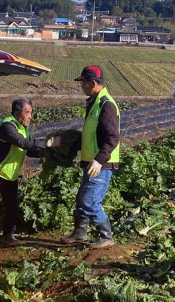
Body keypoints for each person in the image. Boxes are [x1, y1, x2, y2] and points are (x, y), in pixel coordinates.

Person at [0, 98, 64, 245]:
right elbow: (23, 143)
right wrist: (48, 142)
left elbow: (29, 150)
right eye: (27, 113)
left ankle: (9, 236)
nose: (30, 116)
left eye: (31, 113)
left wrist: (47, 154)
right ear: (17, 113)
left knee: (12, 207)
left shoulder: (23, 128)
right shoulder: (7, 126)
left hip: (9, 176)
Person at [61, 65, 120, 249]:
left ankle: (106, 236)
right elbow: (91, 133)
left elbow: (112, 137)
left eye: (84, 83)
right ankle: (80, 232)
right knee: (82, 199)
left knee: (90, 200)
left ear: (93, 83)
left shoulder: (106, 104)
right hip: (91, 162)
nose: (82, 86)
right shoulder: (94, 101)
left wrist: (99, 159)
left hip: (101, 164)